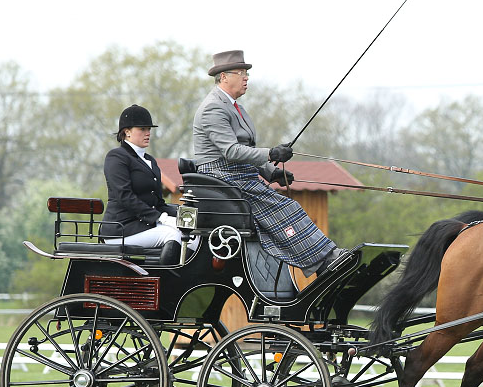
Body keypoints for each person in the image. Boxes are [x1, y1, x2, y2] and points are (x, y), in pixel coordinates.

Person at [192, 50, 345, 277]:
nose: (246, 78)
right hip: (221, 177)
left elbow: (247, 152)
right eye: (241, 73)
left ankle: (325, 257)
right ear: (223, 77)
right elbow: (231, 151)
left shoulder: (236, 107)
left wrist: (271, 172)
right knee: (285, 207)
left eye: (247, 74)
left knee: (289, 206)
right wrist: (271, 153)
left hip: (238, 174)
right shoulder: (213, 108)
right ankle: (324, 261)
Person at [101, 105, 196, 257]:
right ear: (127, 132)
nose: (148, 133)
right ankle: (169, 280)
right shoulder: (116, 157)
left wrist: (185, 214)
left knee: (195, 236)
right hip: (121, 229)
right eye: (142, 129)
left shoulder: (150, 161)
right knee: (173, 235)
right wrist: (162, 218)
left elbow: (158, 204)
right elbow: (125, 196)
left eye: (149, 129)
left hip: (146, 225)